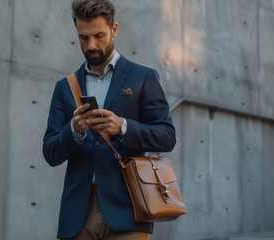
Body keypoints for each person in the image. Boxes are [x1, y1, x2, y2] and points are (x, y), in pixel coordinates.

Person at [42, 0, 176, 239]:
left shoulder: (143, 78)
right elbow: (50, 153)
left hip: (129, 209)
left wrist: (123, 127)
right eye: (83, 37)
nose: (91, 45)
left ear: (114, 29)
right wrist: (73, 130)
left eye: (98, 35)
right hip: (77, 214)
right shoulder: (64, 88)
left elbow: (167, 136)